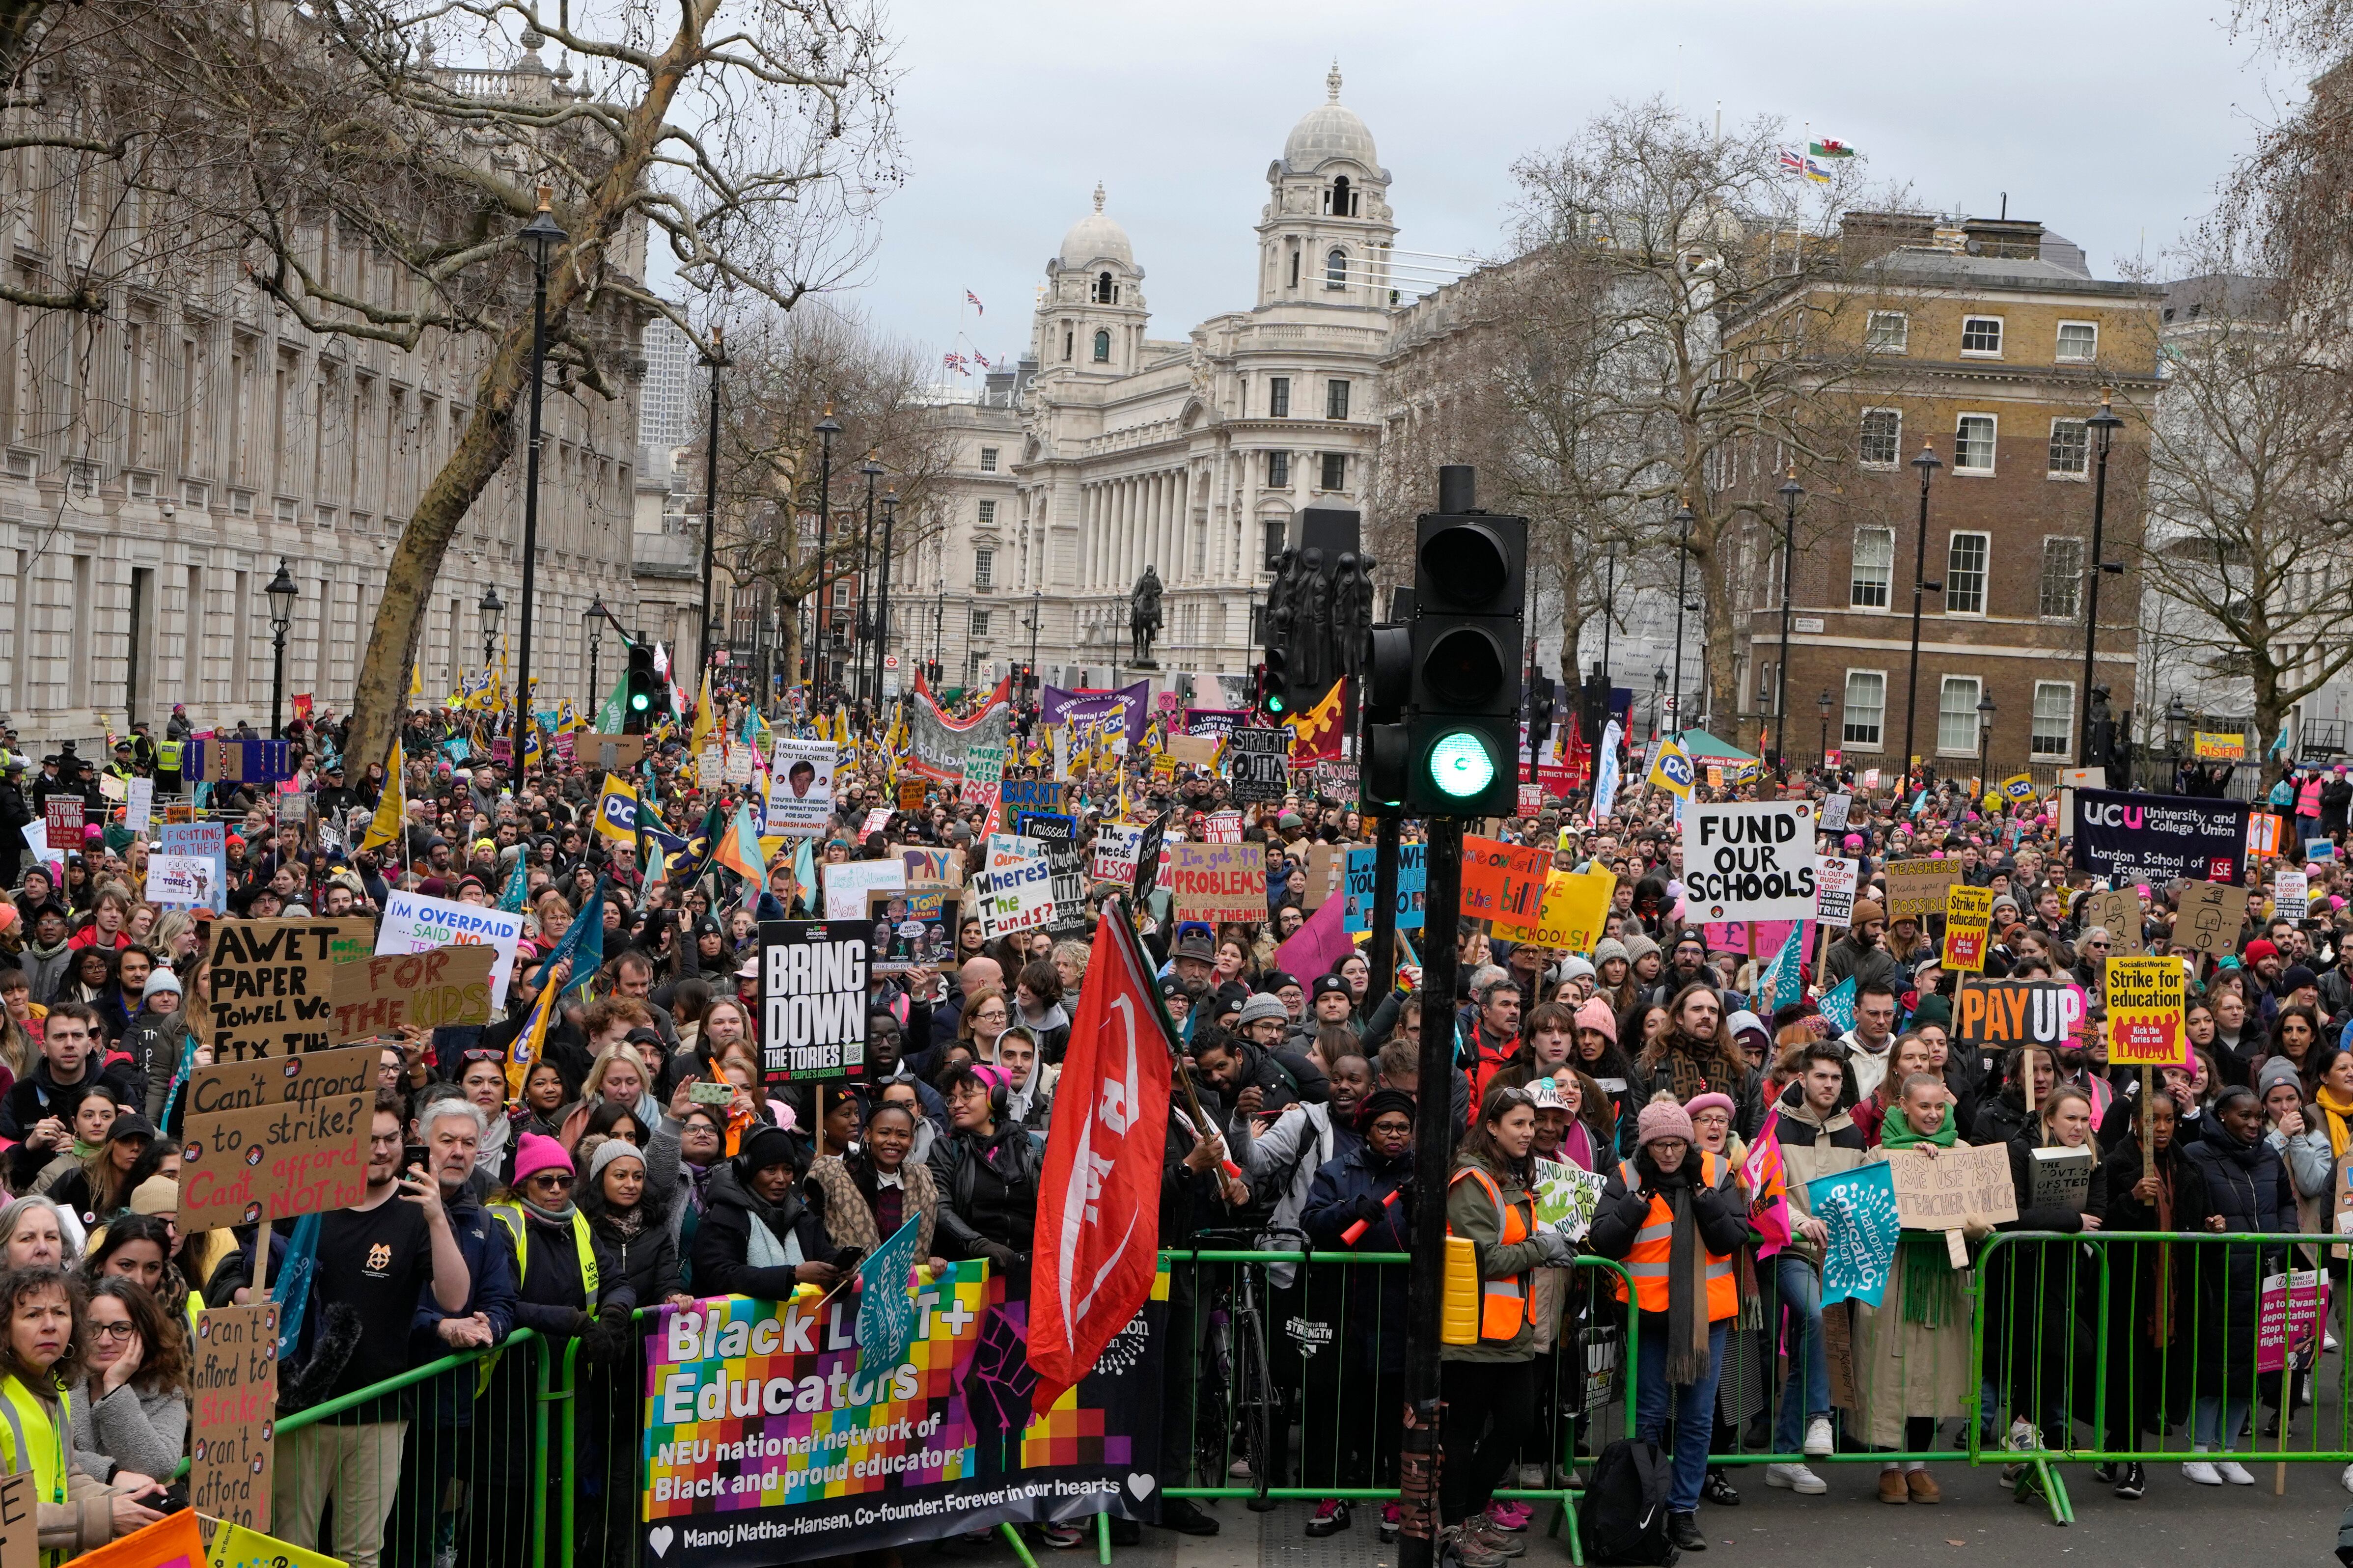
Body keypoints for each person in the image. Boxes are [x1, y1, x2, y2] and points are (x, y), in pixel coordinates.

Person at [267, 1090, 472, 1568]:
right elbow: (249, 1266)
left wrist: (437, 1215)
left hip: (379, 1412)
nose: (380, 1150)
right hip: (302, 1410)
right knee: (293, 1547)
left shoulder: (416, 1211)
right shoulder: (308, 1202)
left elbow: (455, 1298)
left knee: (361, 1553)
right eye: (368, 1139)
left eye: (389, 1138)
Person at [1588, 1097, 1746, 1550]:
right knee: (1649, 1417)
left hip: (1704, 1319)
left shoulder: (1715, 1173)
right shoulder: (1626, 1177)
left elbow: (1733, 1239)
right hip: (1648, 1318)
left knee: (1697, 1420)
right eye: (1661, 1146)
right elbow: (1603, 1241)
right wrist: (1635, 1207)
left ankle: (1682, 1510)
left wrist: (1704, 1199)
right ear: (1647, 1144)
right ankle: (1646, 1505)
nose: (1670, 1154)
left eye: (1678, 1144)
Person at [1439, 1086, 1574, 1568]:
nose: (1528, 1132)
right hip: (1474, 1330)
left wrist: (1548, 1240)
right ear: (1492, 1126)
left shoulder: (1513, 1175)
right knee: (1465, 1431)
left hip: (1510, 1328)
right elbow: (1484, 1258)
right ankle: (1454, 1525)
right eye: (1518, 1123)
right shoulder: (1472, 1179)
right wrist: (1543, 1247)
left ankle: (1470, 1515)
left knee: (1516, 1423)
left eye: (1531, 1124)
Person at [1853, 1073, 1986, 1504]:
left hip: (1943, 1280)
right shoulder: (1876, 1153)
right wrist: (1904, 1163)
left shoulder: (1962, 1153)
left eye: (1938, 1107)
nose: (1931, 1114)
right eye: (1923, 1106)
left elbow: (1983, 1218)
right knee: (1888, 1372)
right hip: (1892, 1277)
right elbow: (1862, 1210)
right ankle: (1889, 1466)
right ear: (1903, 1107)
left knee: (1934, 1371)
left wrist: (1943, 1177)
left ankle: (1917, 1463)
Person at [1299, 1087, 1416, 1541]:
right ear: (1367, 1130)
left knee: (1393, 1411)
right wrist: (1349, 1209)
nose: (1394, 1136)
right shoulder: (1337, 1171)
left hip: (1400, 1312)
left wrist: (1418, 1208)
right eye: (1385, 1127)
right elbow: (1311, 1221)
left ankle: (1394, 1498)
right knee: (1341, 1406)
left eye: (1402, 1128)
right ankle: (1334, 1495)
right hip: (1346, 1309)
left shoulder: (1421, 1175)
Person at [2086, 1091, 2210, 1499]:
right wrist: (2132, 1199)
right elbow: (2101, 1220)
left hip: (2171, 1291)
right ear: (2135, 1122)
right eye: (2152, 1119)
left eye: (2169, 1119)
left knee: (2154, 1378)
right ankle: (2134, 1467)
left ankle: (2114, 1445)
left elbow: (2194, 1217)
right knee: (2129, 1375)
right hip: (2128, 1290)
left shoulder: (2185, 1164)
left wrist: (2212, 1223)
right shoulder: (2117, 1163)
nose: (2161, 1127)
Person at [0, 1265, 164, 1556]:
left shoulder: (54, 1387)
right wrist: (107, 1516)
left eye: (60, 1313)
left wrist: (124, 1501)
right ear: (5, 1329)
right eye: (33, 1315)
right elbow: (5, 1519)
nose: (50, 1325)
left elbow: (65, 1479)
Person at [2179, 1084, 2294, 1485]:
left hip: (2263, 1275)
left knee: (2249, 1368)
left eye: (2256, 1115)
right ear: (2222, 1115)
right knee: (2213, 1366)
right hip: (2218, 1275)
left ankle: (2228, 1451)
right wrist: (2209, 1223)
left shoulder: (2268, 1156)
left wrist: (2286, 1235)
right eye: (2243, 1116)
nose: (2252, 1123)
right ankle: (2197, 1452)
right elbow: (2186, 1208)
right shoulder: (2196, 1155)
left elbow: (2285, 1201)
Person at [1766, 1042, 1867, 1495]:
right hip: (1789, 1249)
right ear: (1801, 1078)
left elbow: (1871, 1183)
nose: (1828, 1084)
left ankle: (1785, 1457)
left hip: (1838, 1257)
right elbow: (1761, 1185)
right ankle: (1819, 1416)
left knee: (1811, 1339)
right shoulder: (1776, 1124)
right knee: (1811, 1317)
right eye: (1820, 1076)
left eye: (1835, 1077)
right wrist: (1799, 1220)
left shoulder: (1854, 1133)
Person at [926, 1064, 1046, 1286]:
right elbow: (940, 1208)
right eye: (951, 1099)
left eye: (967, 1096)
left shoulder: (1032, 1147)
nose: (957, 1105)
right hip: (971, 1272)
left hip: (1030, 1273)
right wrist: (978, 1244)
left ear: (995, 1098)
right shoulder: (946, 1148)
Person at [67, 1276, 188, 1494]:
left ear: (144, 1333)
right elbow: (47, 1456)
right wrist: (110, 1474)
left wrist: (114, 1386)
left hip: (137, 1523)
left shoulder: (165, 1394)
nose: (104, 1341)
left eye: (121, 1329)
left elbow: (157, 1467)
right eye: (93, 1328)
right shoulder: (60, 1384)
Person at [690, 1124, 836, 1299]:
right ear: (747, 1170)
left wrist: (838, 1273)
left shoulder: (803, 1217)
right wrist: (793, 1275)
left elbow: (825, 1254)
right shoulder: (720, 1218)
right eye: (771, 1170)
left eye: (788, 1170)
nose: (781, 1179)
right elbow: (722, 1276)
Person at [578, 1137, 686, 1310]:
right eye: (620, 1176)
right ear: (600, 1179)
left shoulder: (656, 1231)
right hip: (597, 1331)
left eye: (637, 1177)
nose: (631, 1185)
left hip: (642, 1333)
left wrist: (672, 1297)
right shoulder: (582, 1229)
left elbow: (666, 1282)